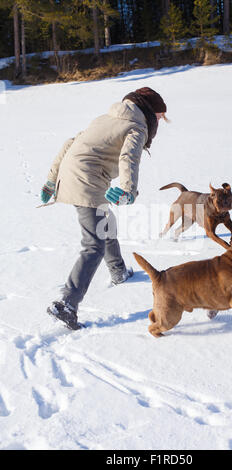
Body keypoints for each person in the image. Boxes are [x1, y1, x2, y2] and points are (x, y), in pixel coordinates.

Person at [41, 87, 167, 330]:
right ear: (150, 111)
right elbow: (129, 158)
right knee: (94, 244)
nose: (161, 121)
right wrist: (129, 191)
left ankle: (118, 271)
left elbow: (70, 142)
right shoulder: (137, 127)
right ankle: (67, 303)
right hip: (87, 181)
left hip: (73, 175)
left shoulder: (106, 117)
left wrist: (51, 179)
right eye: (161, 116)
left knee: (106, 221)